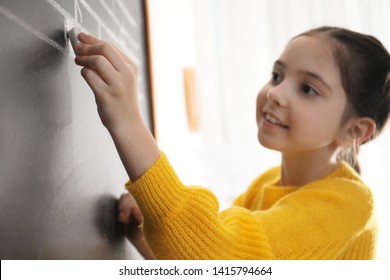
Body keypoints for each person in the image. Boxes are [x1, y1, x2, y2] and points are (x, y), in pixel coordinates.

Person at [74, 26, 390, 259]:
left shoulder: (350, 204)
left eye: (308, 89)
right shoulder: (265, 184)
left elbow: (220, 255)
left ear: (354, 131)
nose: (275, 94)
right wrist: (144, 228)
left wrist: (128, 121)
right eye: (277, 76)